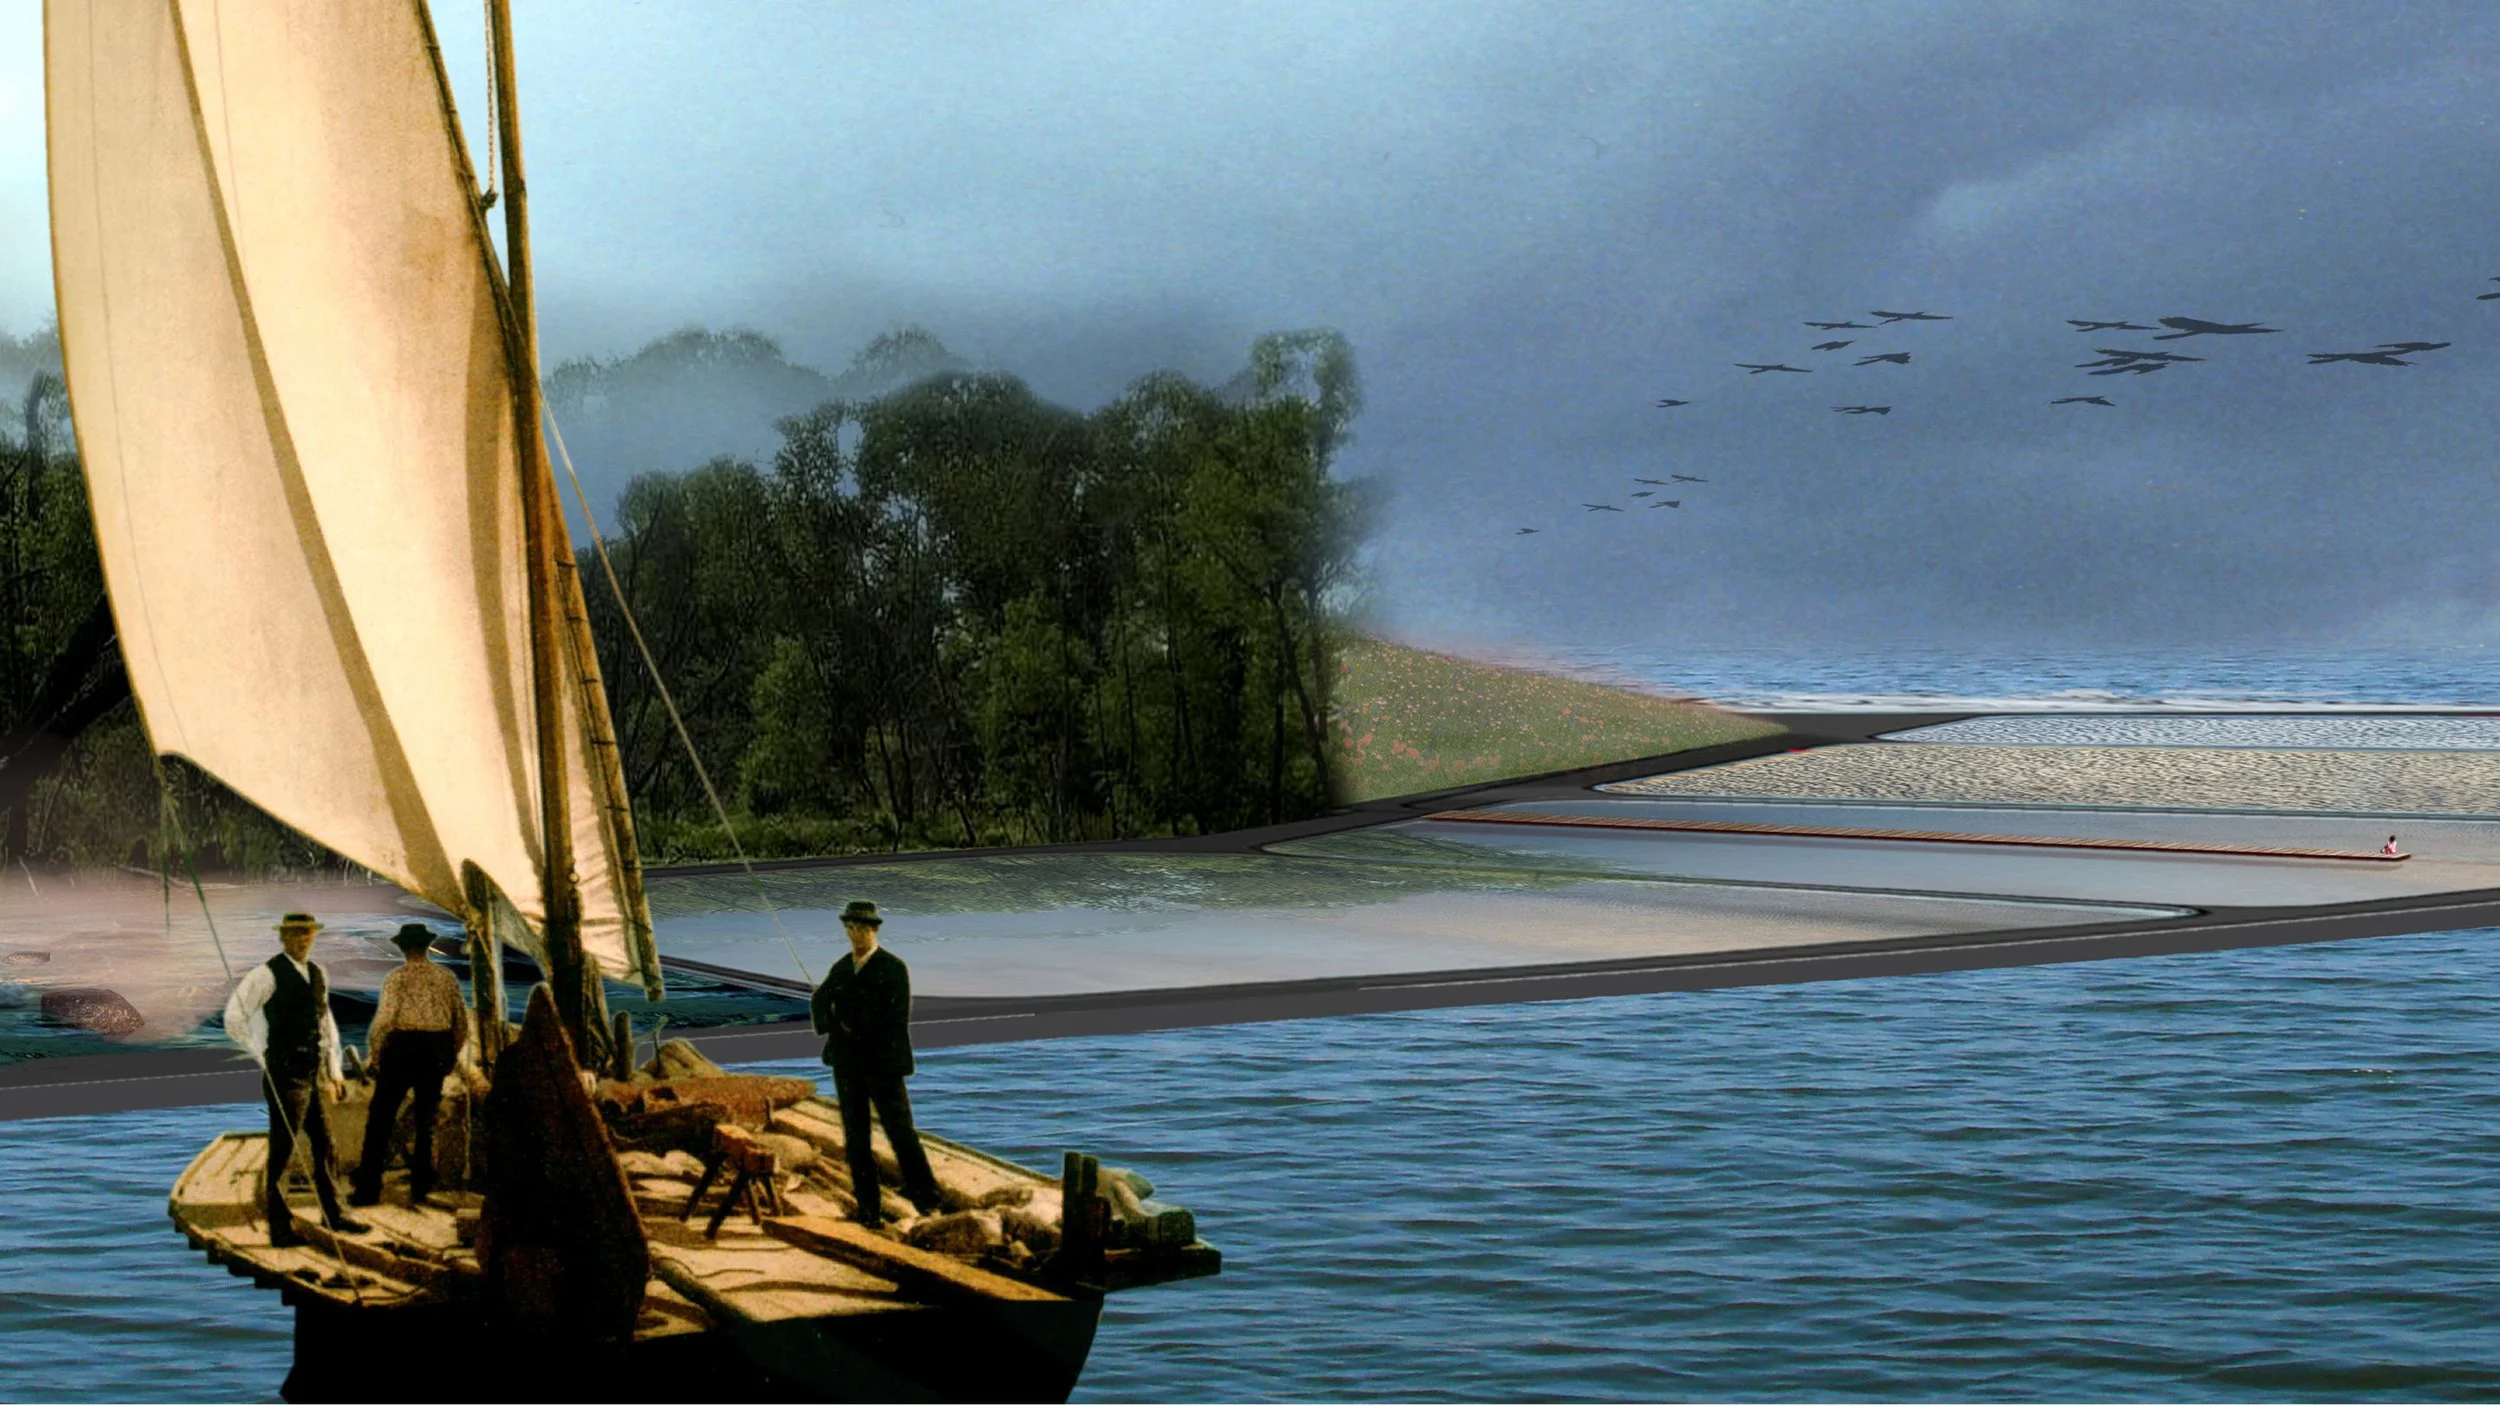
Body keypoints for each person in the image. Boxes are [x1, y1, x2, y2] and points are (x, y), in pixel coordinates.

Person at [223, 911, 367, 1245]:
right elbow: (234, 1017)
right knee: (284, 1153)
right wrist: (263, 1053)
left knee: (325, 1145)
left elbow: (325, 1023)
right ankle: (280, 1228)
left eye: (307, 934)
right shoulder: (265, 975)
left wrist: (333, 1071)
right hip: (285, 1076)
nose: (303, 939)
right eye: (296, 934)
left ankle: (336, 1216)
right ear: (284, 938)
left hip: (313, 1075)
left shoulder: (318, 973)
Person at [808, 900, 942, 1227]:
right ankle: (868, 1207)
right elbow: (819, 1000)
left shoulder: (893, 968)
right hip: (847, 1065)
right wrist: (832, 1021)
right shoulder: (842, 966)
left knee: (900, 1132)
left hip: (883, 1064)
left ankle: (927, 1198)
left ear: (874, 930)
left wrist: (854, 1024)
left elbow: (895, 1018)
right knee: (856, 1138)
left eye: (861, 929)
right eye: (850, 928)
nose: (855, 935)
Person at [350, 923, 473, 1207]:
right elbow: (461, 1024)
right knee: (425, 1121)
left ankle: (368, 1191)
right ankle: (421, 1190)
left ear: (403, 948)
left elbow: (383, 1022)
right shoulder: (446, 978)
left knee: (380, 1120)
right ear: (426, 947)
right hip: (436, 1048)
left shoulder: (397, 978)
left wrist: (376, 1054)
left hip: (403, 1048)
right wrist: (450, 1057)